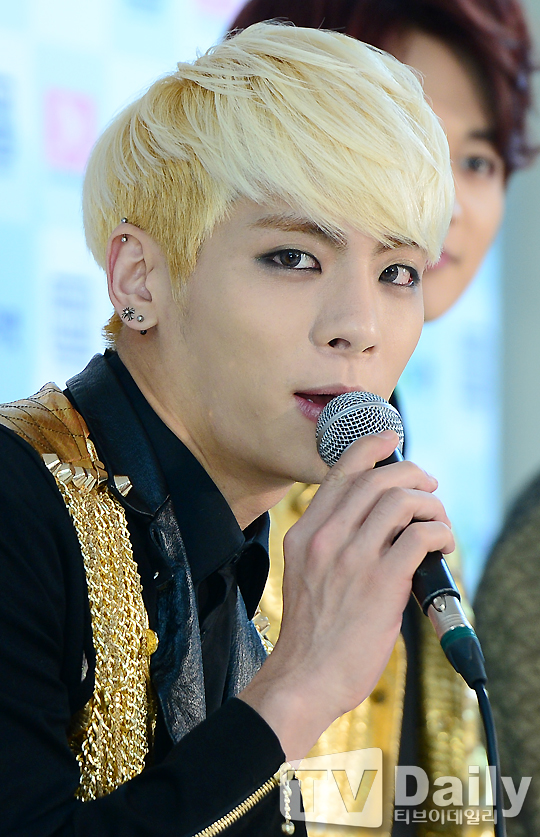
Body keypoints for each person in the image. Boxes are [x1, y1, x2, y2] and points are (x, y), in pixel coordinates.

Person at [0, 21, 455, 837]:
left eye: (397, 272)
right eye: (294, 257)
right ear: (139, 278)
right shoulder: (16, 501)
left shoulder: (243, 554)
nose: (359, 326)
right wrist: (300, 686)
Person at [228, 2, 536, 835]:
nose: (448, 202)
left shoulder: (397, 475)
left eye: (478, 161)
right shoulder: (225, 489)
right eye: (404, 141)